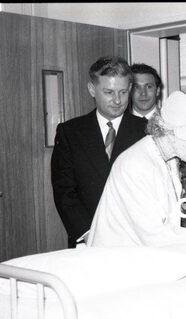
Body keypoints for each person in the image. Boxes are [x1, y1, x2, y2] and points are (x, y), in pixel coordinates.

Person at [87, 91, 186, 247]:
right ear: (170, 133)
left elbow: (170, 226)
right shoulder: (136, 165)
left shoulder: (169, 160)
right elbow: (158, 239)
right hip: (115, 260)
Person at [51, 56, 147, 248]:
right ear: (92, 89)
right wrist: (89, 234)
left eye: (123, 92)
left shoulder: (146, 131)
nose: (117, 100)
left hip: (136, 239)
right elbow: (64, 192)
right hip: (88, 240)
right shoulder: (70, 132)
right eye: (109, 92)